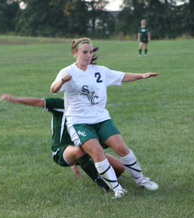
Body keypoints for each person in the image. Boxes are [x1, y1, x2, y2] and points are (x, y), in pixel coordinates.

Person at [50, 37, 160, 199]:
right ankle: (117, 189)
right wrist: (61, 81)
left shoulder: (99, 71)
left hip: (101, 118)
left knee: (122, 148)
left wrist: (142, 75)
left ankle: (141, 180)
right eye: (84, 52)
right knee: (97, 152)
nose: (88, 55)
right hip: (79, 122)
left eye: (91, 52)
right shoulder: (68, 72)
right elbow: (53, 90)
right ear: (75, 53)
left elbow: (122, 76)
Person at [0, 94, 125, 192]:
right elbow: (39, 101)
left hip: (81, 150)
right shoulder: (63, 105)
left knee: (120, 168)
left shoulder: (87, 113)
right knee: (79, 151)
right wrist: (15, 99)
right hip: (61, 151)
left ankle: (108, 174)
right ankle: (105, 186)